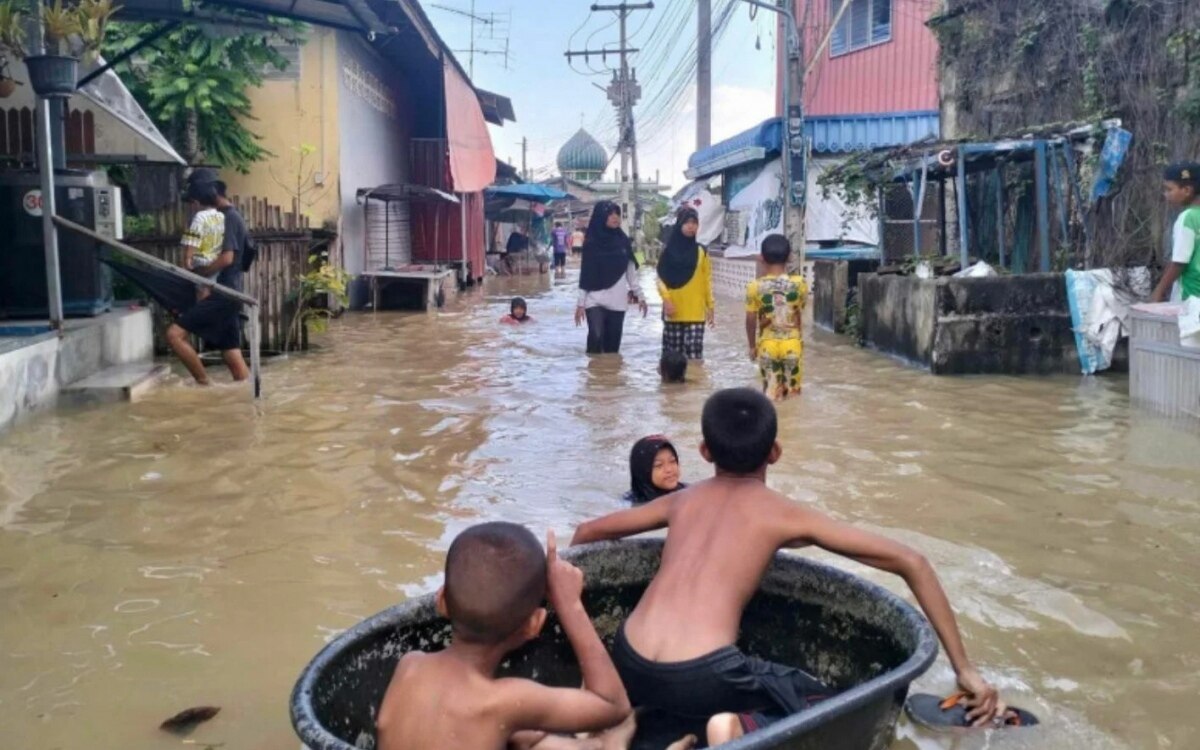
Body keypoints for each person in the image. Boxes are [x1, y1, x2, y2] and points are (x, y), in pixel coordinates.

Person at [571, 388, 1002, 746]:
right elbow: (914, 562)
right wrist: (966, 670)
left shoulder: (682, 500)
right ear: (774, 453)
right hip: (705, 673)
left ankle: (639, 721)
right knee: (828, 702)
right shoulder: (785, 514)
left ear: (704, 451)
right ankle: (735, 731)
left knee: (679, 694)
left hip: (628, 658)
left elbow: (587, 533)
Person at [375, 523, 640, 750]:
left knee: (515, 732)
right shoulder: (504, 701)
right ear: (534, 624)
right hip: (504, 713)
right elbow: (613, 705)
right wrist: (569, 603)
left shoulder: (410, 665)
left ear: (442, 600)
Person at [165, 170, 250, 384]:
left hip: (222, 292)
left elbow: (227, 258)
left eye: (196, 199)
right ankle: (245, 397)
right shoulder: (231, 216)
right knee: (230, 350)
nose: (195, 204)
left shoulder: (227, 218)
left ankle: (206, 385)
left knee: (174, 336)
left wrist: (201, 275)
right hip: (232, 292)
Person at [575, 202, 647, 354]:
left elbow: (631, 272)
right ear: (601, 217)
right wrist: (580, 304)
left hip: (618, 301)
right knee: (596, 337)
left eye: (617, 214)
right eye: (610, 214)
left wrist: (640, 296)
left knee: (612, 349)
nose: (615, 217)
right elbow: (586, 274)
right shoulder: (591, 244)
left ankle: (609, 377)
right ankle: (593, 374)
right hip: (594, 299)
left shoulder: (623, 241)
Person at [745, 234, 808, 401]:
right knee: (793, 397)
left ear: (762, 258)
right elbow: (798, 312)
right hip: (792, 344)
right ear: (788, 257)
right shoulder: (800, 284)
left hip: (767, 345)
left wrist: (752, 346)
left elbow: (750, 319)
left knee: (770, 396)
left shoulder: (754, 287)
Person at [657, 207, 715, 360]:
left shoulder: (702, 251)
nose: (691, 226)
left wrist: (710, 306)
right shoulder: (667, 251)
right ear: (679, 224)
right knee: (672, 358)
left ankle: (695, 384)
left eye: (694, 222)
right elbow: (660, 278)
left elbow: (706, 280)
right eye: (687, 222)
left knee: (694, 357)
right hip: (673, 310)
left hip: (696, 313)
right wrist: (666, 300)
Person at [1151, 162, 1200, 302]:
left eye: (1169, 189)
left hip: (1190, 296)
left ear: (1186, 190)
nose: (1166, 195)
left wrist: (1159, 291)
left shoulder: (1187, 217)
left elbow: (1179, 262)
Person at [180, 181, 225, 303]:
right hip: (216, 263)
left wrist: (187, 261)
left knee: (201, 298)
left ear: (196, 202)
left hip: (201, 264)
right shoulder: (221, 216)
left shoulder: (199, 217)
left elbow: (192, 240)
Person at [623, 435, 687, 505]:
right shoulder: (632, 506)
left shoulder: (688, 492)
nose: (669, 469)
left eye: (672, 461)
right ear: (643, 472)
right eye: (659, 465)